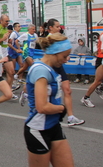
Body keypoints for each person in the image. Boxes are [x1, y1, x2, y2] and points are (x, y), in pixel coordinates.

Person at [24, 33, 74, 167]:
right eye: (64, 56)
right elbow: (42, 107)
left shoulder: (48, 68)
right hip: (38, 130)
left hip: (53, 126)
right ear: (54, 53)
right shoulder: (41, 70)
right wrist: (62, 108)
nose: (66, 60)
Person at [43, 19, 84, 126]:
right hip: (51, 67)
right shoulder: (49, 40)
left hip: (59, 67)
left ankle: (71, 117)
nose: (59, 28)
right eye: (57, 26)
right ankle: (26, 92)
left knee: (67, 90)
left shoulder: (60, 38)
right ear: (50, 28)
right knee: (49, 91)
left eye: (59, 26)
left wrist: (64, 56)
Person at [0, 15, 18, 100]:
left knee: (11, 72)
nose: (8, 23)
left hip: (5, 53)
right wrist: (2, 39)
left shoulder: (6, 28)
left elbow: (5, 41)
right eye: (6, 21)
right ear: (1, 21)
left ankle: (8, 92)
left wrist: (7, 41)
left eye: (8, 21)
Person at [81, 32, 103, 108]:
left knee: (99, 81)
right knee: (97, 81)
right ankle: (86, 98)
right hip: (101, 60)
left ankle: (101, 88)